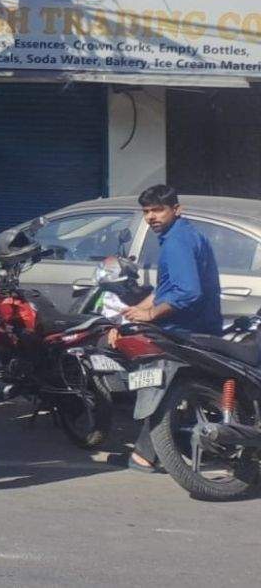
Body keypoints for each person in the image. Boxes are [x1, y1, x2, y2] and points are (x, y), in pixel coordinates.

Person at [125, 184, 224, 472]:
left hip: (187, 329)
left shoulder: (179, 240)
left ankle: (145, 454)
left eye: (158, 210)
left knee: (158, 384)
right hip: (190, 325)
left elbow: (187, 292)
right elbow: (167, 287)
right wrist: (141, 309)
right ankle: (145, 454)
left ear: (176, 210)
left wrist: (151, 314)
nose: (151, 217)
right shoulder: (178, 236)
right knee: (163, 386)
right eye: (146, 211)